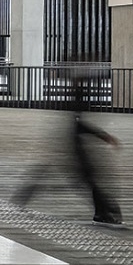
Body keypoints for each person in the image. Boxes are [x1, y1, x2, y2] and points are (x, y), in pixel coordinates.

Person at [14, 73, 124, 227]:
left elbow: (77, 124)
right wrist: (104, 136)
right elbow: (78, 125)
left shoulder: (73, 104)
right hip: (75, 152)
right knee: (88, 181)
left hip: (72, 150)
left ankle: (104, 212)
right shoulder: (76, 105)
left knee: (85, 181)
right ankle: (104, 212)